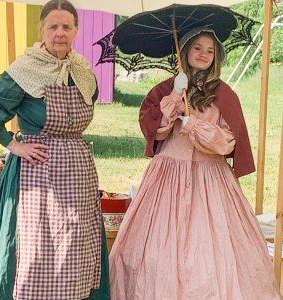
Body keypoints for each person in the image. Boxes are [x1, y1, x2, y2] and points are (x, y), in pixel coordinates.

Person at [109, 27, 281, 300]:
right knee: (157, 248)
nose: (203, 54)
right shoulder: (165, 90)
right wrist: (175, 97)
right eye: (198, 48)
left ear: (217, 57)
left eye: (210, 50)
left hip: (210, 178)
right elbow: (154, 130)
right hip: (167, 177)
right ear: (185, 49)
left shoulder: (224, 94)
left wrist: (194, 125)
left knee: (212, 251)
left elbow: (227, 142)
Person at [0, 0, 110, 299]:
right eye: (53, 26)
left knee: (76, 246)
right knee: (37, 247)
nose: (60, 33)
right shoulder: (26, 69)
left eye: (67, 26)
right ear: (41, 30)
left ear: (76, 30)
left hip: (77, 174)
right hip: (36, 173)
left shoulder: (81, 71)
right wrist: (13, 144)